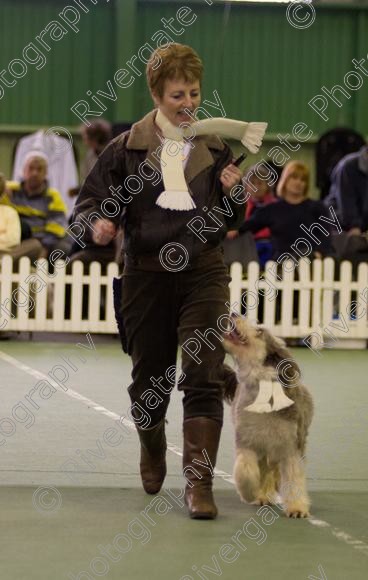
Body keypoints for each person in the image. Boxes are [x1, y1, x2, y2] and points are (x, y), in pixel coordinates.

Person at [72, 43, 249, 519]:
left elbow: (234, 220)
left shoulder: (216, 146)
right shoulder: (125, 147)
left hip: (204, 272)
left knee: (204, 375)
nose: (188, 102)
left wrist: (235, 195)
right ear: (156, 94)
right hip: (145, 277)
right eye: (177, 94)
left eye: (194, 92)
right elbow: (87, 204)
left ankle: (199, 485)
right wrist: (99, 224)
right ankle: (152, 446)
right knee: (149, 381)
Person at [238, 161, 336, 261]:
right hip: (281, 265)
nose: (298, 182)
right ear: (285, 180)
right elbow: (244, 227)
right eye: (294, 178)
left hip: (313, 262)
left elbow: (326, 236)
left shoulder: (318, 207)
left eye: (303, 179)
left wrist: (318, 254)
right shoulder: (272, 209)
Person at [2, 153, 70, 258]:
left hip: (42, 242)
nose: (34, 173)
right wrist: (1, 192)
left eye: (39, 169)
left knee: (62, 248)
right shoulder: (10, 190)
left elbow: (56, 228)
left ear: (46, 173)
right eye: (31, 168)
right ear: (23, 171)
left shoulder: (53, 196)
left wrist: (44, 248)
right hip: (15, 240)